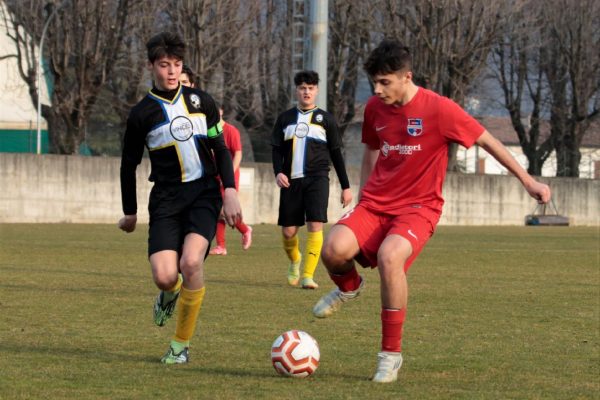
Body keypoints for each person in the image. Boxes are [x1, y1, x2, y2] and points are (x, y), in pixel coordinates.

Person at [311, 39, 552, 383]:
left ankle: (389, 355)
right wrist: (364, 197)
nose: (378, 90)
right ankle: (349, 287)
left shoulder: (440, 110)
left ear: (406, 76)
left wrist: (528, 181)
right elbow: (371, 151)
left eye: (385, 82)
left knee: (390, 257)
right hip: (376, 203)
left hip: (418, 208)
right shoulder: (375, 109)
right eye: (374, 83)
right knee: (333, 250)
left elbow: (488, 141)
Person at [118, 32, 242, 364]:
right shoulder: (141, 114)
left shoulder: (203, 102)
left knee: (191, 262)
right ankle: (168, 293)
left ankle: (180, 345)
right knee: (164, 275)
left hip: (204, 193)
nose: (171, 72)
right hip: (166, 200)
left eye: (177, 65)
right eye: (164, 65)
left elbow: (220, 148)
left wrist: (229, 190)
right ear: (150, 66)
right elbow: (128, 165)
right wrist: (129, 212)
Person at [271, 70, 353, 290]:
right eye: (302, 88)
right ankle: (295, 260)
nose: (306, 92)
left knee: (315, 225)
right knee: (288, 232)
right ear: (297, 91)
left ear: (317, 90)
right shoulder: (285, 119)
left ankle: (308, 275)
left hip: (317, 179)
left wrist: (346, 187)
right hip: (291, 181)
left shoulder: (326, 120)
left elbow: (336, 154)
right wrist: (278, 171)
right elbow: (276, 150)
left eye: (310, 88)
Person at [209, 103, 253, 255]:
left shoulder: (231, 131)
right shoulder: (209, 131)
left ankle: (245, 229)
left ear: (221, 111)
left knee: (223, 210)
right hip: (214, 176)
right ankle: (221, 246)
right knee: (218, 210)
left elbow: (238, 155)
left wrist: (228, 174)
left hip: (229, 178)